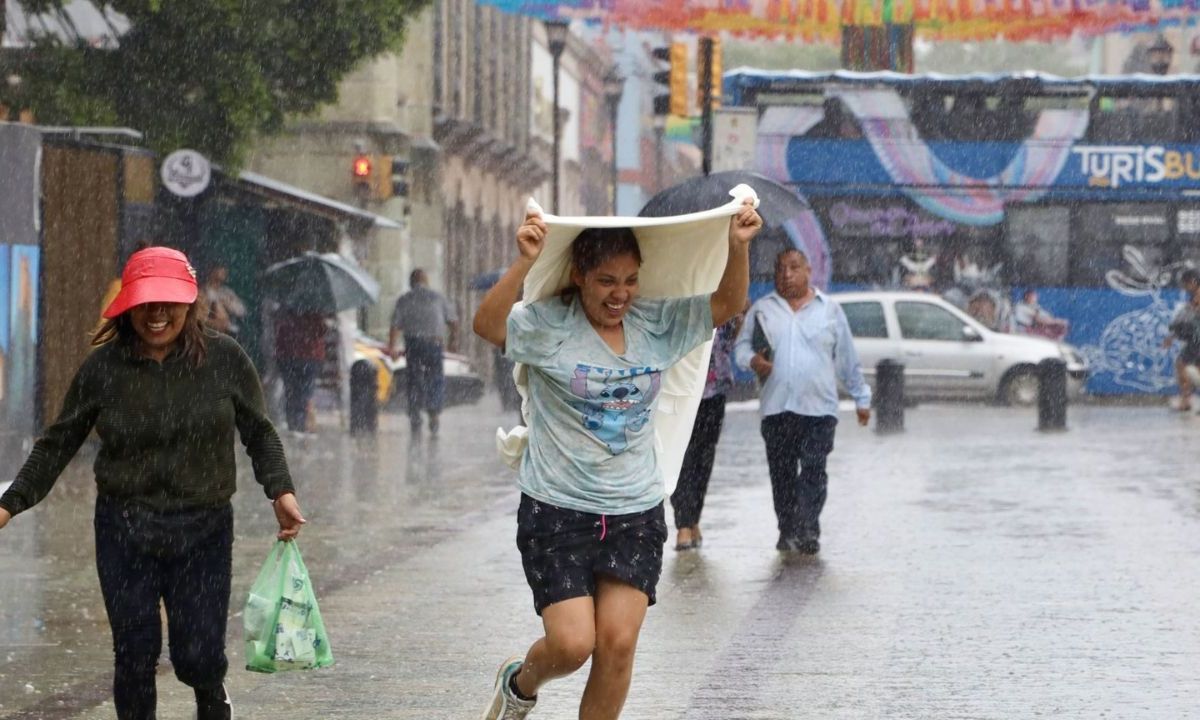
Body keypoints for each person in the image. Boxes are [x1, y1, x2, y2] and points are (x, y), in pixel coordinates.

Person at [472, 200, 761, 720]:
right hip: (557, 512)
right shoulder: (549, 326)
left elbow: (726, 304)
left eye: (629, 280)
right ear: (579, 275)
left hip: (635, 512)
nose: (620, 294)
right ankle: (521, 682)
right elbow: (487, 325)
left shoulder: (656, 324)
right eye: (606, 281)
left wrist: (737, 247)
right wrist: (523, 263)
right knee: (572, 645)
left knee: (618, 646)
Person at [0, 246, 305, 720]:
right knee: (135, 654)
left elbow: (259, 432)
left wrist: (280, 492)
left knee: (199, 655)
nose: (158, 314)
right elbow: (58, 443)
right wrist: (11, 502)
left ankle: (212, 694)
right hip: (125, 528)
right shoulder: (104, 369)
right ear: (128, 305)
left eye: (169, 302)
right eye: (146, 302)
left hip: (203, 529)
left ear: (189, 303)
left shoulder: (223, 358)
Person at [735, 248, 871, 555]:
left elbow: (848, 359)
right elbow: (741, 350)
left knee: (813, 469)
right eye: (780, 268)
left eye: (794, 267)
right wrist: (753, 360)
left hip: (819, 410)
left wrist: (862, 398)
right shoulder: (762, 310)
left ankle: (808, 528)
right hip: (777, 409)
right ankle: (787, 529)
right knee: (781, 474)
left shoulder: (830, 310)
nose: (787, 274)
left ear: (808, 270)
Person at [670, 313, 741, 552]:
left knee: (704, 458)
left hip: (714, 391)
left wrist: (739, 318)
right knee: (683, 457)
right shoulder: (683, 301)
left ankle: (693, 518)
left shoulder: (726, 302)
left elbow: (729, 343)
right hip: (683, 391)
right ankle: (683, 524)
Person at [388, 269, 459, 434]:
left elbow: (395, 325)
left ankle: (415, 414)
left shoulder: (405, 299)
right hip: (434, 343)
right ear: (426, 281)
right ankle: (433, 413)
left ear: (411, 282)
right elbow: (453, 321)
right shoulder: (438, 297)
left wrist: (392, 347)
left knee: (414, 379)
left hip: (414, 344)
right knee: (435, 377)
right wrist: (453, 340)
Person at [274, 308, 328, 434]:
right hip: (309, 356)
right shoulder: (315, 308)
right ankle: (300, 424)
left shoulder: (286, 307)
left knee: (291, 391)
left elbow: (279, 330)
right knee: (304, 392)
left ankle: (293, 424)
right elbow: (321, 331)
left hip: (288, 356)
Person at [1162, 268, 1200, 411]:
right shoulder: (1194, 297)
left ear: (1193, 282)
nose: (1184, 287)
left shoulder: (1197, 296)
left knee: (1181, 364)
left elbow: (1188, 320)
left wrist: (1173, 335)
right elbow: (1188, 321)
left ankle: (1186, 401)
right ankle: (1187, 400)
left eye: (1186, 283)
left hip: (1197, 341)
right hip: (1195, 339)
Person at [203, 264, 247, 339]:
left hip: (228, 332)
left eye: (224, 269)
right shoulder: (204, 291)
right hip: (210, 331)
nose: (224, 272)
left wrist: (228, 304)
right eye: (220, 269)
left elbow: (241, 311)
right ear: (212, 271)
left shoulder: (226, 292)